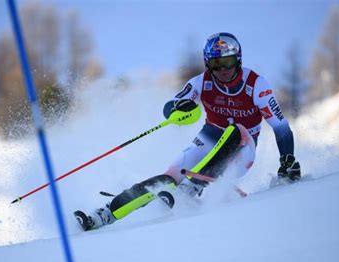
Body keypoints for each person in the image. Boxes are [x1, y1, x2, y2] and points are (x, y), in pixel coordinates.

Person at [75, 32, 301, 231]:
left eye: (228, 62)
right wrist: (176, 108)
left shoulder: (256, 85)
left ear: (238, 60)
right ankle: (105, 214)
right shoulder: (200, 83)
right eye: (216, 64)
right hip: (209, 137)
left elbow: (280, 126)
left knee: (236, 129)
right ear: (207, 64)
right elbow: (170, 106)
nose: (223, 70)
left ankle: (191, 188)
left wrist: (287, 160)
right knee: (169, 178)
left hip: (242, 148)